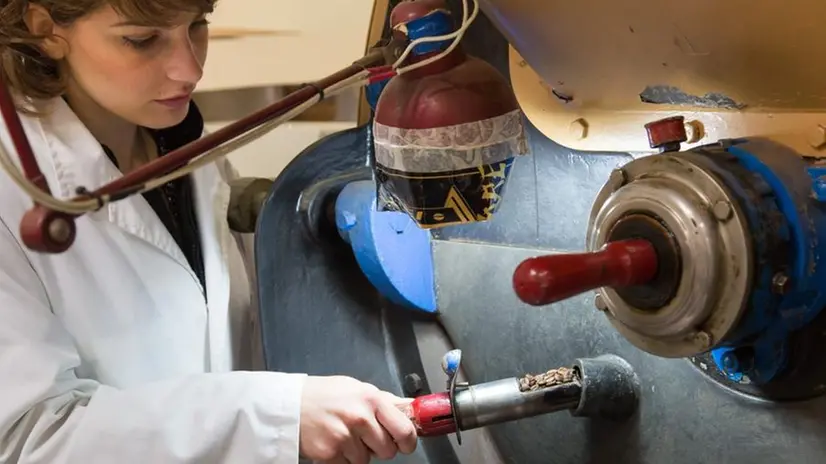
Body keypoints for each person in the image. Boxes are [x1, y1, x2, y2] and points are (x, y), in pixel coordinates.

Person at [0, 1, 418, 463]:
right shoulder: (13, 187)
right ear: (45, 29)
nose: (189, 69)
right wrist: (276, 418)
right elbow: (28, 438)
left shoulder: (182, 147)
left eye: (197, 26)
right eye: (141, 39)